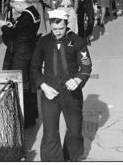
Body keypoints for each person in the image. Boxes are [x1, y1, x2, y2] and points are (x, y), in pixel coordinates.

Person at [31, 9, 92, 161]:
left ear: (67, 24)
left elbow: (86, 66)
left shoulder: (78, 41)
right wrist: (43, 86)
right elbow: (34, 68)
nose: (57, 32)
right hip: (50, 93)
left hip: (71, 94)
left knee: (74, 130)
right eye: (54, 29)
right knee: (50, 132)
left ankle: (71, 158)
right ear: (50, 26)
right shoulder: (43, 42)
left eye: (61, 29)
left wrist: (77, 80)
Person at [0, 0, 40, 128]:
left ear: (18, 3)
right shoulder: (34, 12)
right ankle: (31, 115)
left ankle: (24, 117)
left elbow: (13, 34)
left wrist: (4, 25)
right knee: (29, 84)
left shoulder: (26, 17)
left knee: (21, 85)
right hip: (30, 52)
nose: (15, 11)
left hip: (21, 55)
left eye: (15, 8)